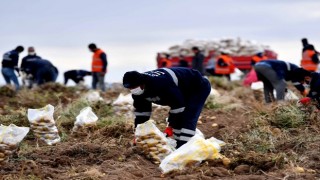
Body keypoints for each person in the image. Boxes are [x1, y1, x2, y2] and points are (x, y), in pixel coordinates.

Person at [122, 67, 211, 148]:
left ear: (142, 83)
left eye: (134, 87)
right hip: (179, 90)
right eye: (130, 88)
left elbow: (178, 106)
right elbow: (142, 114)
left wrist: (170, 125)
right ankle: (179, 146)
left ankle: (184, 149)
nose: (133, 90)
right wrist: (138, 134)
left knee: (188, 117)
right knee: (178, 124)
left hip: (197, 87)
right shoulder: (138, 93)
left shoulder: (161, 84)